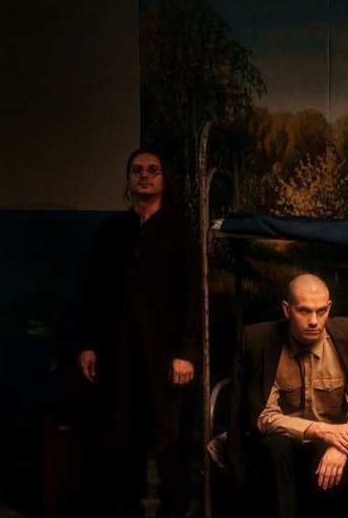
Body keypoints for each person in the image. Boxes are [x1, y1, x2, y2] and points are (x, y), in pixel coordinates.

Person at [78, 148, 199, 518]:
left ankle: (173, 511)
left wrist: (186, 352)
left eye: (152, 169)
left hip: (165, 353)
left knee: (169, 438)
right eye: (137, 170)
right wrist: (89, 345)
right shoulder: (110, 232)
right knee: (121, 436)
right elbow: (94, 293)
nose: (144, 175)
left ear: (164, 178)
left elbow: (192, 295)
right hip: (118, 352)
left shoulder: (180, 231)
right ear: (128, 179)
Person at [227, 274, 348, 518]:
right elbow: (264, 417)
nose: (314, 321)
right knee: (274, 447)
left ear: (329, 308)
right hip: (289, 447)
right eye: (304, 311)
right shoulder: (259, 340)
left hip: (332, 449)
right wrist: (319, 430)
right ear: (287, 309)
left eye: (321, 311)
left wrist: (341, 445)